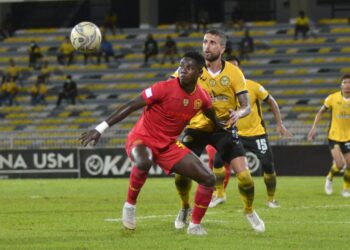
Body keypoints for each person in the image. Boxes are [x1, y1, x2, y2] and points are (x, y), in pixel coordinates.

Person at [80, 51, 229, 235]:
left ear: (200, 72)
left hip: (168, 145)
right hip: (142, 138)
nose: (183, 70)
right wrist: (99, 128)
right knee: (144, 161)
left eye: (189, 68)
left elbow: (208, 111)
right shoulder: (163, 87)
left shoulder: (201, 96)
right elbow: (131, 105)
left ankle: (195, 225)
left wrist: (218, 123)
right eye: (181, 66)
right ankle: (130, 206)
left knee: (208, 179)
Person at [172, 30, 265, 233]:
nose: (207, 46)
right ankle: (184, 207)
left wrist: (239, 113)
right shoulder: (191, 68)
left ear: (222, 48)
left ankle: (249, 210)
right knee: (180, 176)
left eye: (213, 43)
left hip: (223, 128)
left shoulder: (234, 72)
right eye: (205, 41)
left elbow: (246, 106)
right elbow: (171, 88)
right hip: (197, 127)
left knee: (246, 178)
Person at [207, 55, 293, 209]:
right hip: (233, 133)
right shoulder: (220, 88)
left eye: (235, 67)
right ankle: (219, 194)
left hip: (256, 134)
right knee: (217, 161)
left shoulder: (253, 86)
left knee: (268, 165)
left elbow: (271, 101)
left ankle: (271, 199)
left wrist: (279, 123)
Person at [308, 74, 350, 197]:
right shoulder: (332, 98)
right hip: (334, 135)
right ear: (341, 85)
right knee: (340, 164)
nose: (348, 85)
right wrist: (314, 128)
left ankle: (346, 189)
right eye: (345, 82)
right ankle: (329, 178)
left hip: (348, 137)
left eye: (349, 82)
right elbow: (321, 112)